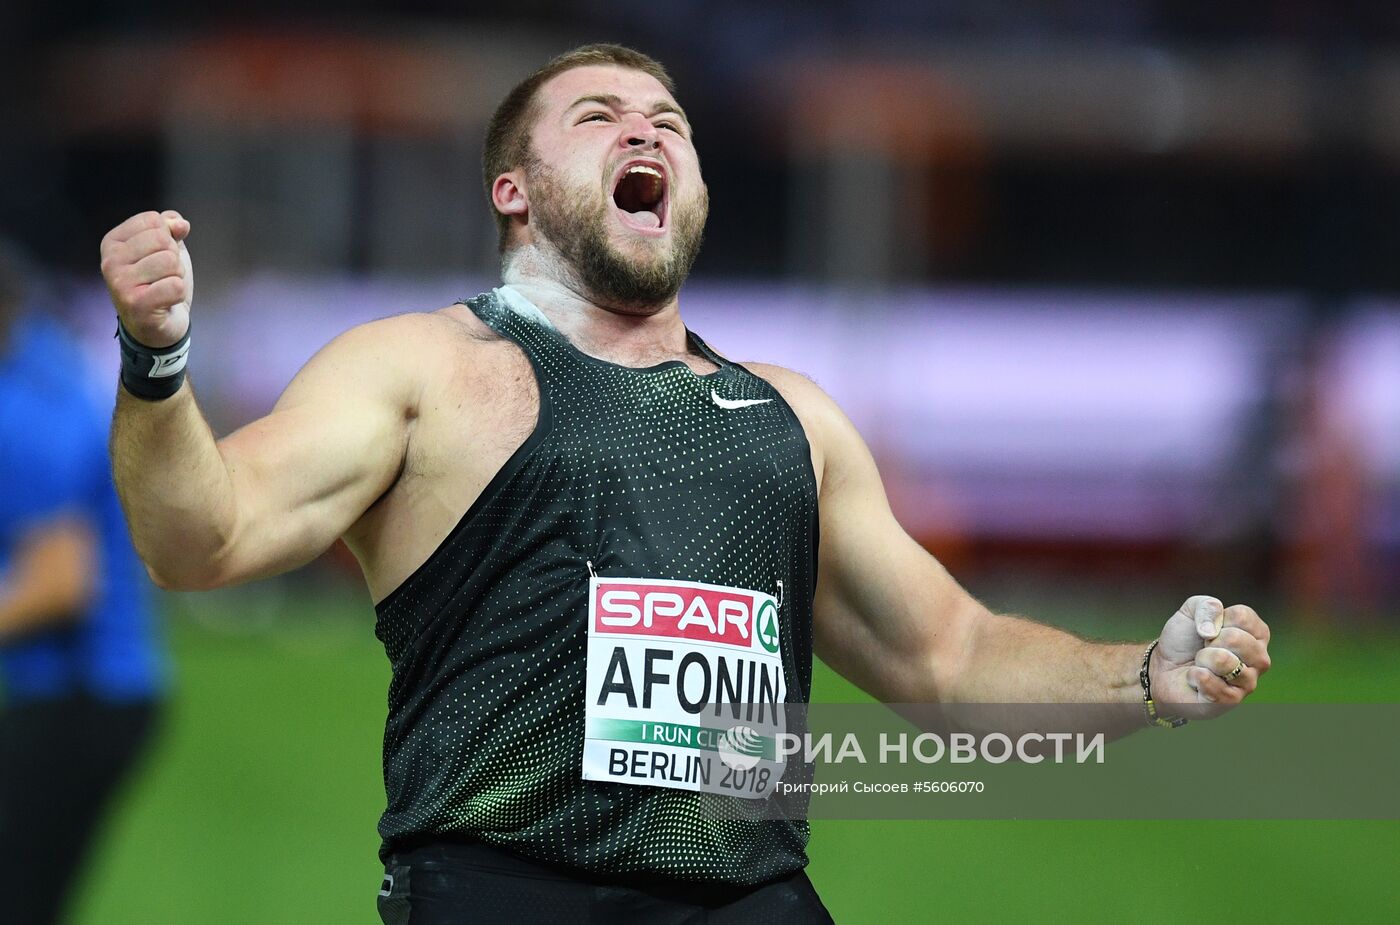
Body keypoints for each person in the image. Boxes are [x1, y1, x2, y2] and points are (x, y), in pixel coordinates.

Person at [98, 43, 1271, 924]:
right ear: (512, 188)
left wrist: (1142, 677)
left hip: (750, 895)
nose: (642, 134)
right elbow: (201, 539)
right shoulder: (425, 369)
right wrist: (159, 362)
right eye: (598, 117)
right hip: (509, 888)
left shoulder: (790, 417)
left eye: (668, 122)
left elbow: (949, 658)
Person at [0, 240, 166, 925]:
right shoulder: (48, 369)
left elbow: (61, 581)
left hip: (76, 697)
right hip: (103, 693)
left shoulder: (22, 413)